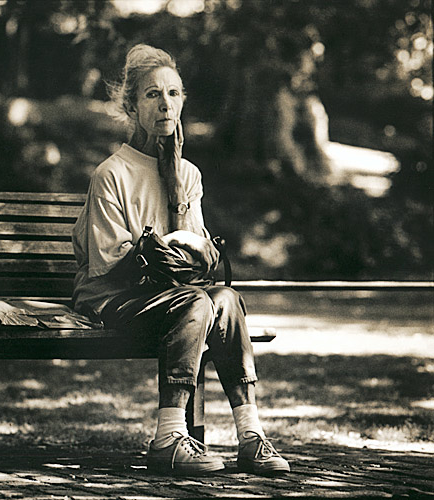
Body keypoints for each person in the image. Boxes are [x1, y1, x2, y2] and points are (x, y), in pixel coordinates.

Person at [71, 44, 290, 476]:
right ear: (131, 106)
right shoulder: (111, 174)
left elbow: (199, 252)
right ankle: (167, 436)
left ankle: (251, 435)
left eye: (173, 94)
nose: (165, 104)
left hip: (168, 299)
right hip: (111, 299)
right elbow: (106, 265)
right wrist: (163, 252)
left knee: (225, 298)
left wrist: (198, 252)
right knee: (197, 303)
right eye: (153, 95)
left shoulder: (186, 173)